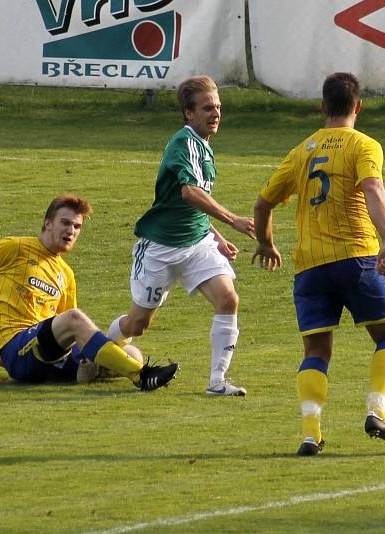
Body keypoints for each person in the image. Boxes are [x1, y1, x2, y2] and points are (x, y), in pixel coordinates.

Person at [252, 72, 385, 456]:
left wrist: (266, 243)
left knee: (316, 352)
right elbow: (372, 187)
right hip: (357, 258)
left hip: (309, 268)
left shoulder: (302, 151)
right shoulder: (364, 145)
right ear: (358, 106)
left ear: (323, 106)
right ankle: (378, 411)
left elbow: (262, 204)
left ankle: (311, 433)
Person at [0, 194, 178, 390]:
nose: (71, 231)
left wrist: (86, 352)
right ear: (48, 223)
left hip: (48, 357)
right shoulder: (15, 247)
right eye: (65, 223)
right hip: (16, 349)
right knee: (78, 321)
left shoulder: (65, 274)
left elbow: (67, 330)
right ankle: (141, 377)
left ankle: (94, 370)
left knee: (132, 351)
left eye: (77, 227)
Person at [107, 75, 255, 396]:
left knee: (228, 299)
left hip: (197, 243)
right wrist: (232, 220)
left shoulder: (203, 145)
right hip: (161, 247)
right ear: (188, 113)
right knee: (137, 325)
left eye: (218, 107)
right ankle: (101, 351)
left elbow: (189, 202)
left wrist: (214, 236)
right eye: (207, 108)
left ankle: (217, 381)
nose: (215, 113)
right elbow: (189, 193)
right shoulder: (185, 143)